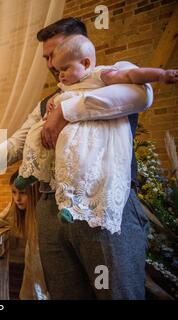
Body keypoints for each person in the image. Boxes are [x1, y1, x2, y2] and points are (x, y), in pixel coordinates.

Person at [0, 17, 154, 299]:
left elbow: (142, 95)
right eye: (46, 58)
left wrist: (66, 112)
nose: (51, 65)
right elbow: (17, 143)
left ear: (81, 49)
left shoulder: (115, 74)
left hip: (105, 208)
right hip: (51, 211)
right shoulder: (47, 102)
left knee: (118, 294)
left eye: (54, 55)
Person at [18, 34, 178, 234]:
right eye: (58, 69)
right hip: (60, 151)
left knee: (74, 159)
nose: (59, 75)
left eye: (64, 68)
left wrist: (161, 75)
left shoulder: (102, 75)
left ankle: (70, 205)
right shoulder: (65, 86)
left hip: (87, 134)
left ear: (85, 63)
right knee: (36, 133)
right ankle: (29, 173)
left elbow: (132, 78)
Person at [0, 171, 48, 300]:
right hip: (13, 267)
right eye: (14, 192)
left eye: (23, 193)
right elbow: (3, 218)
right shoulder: (13, 209)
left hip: (35, 272)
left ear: (33, 192)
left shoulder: (40, 215)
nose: (17, 199)